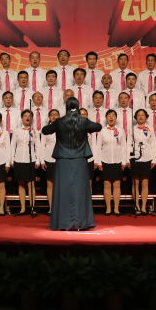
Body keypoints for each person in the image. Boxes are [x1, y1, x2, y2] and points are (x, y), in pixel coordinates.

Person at [41, 97, 102, 230]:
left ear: (66, 107)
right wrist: (84, 124)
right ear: (78, 107)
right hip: (79, 159)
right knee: (80, 190)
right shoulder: (83, 121)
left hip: (63, 160)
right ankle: (81, 222)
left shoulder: (60, 121)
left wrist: (54, 123)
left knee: (63, 190)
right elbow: (98, 127)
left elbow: (45, 130)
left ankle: (62, 223)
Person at [95, 109, 130, 215]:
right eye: (109, 115)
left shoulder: (121, 130)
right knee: (106, 184)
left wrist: (124, 161)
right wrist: (99, 162)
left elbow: (124, 146)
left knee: (117, 184)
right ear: (106, 118)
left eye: (113, 115)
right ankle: (108, 208)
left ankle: (116, 208)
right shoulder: (102, 131)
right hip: (105, 160)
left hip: (118, 160)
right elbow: (98, 147)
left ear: (116, 118)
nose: (111, 117)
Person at [130, 109, 156, 215]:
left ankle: (144, 206)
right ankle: (136, 205)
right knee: (136, 182)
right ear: (135, 117)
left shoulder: (150, 129)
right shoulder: (132, 129)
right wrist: (129, 157)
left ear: (146, 117)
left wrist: (154, 159)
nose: (141, 117)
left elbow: (153, 144)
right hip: (135, 158)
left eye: (143, 115)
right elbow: (128, 144)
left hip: (147, 157)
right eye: (138, 115)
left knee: (145, 183)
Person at [38, 109, 60, 215]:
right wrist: (42, 160)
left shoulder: (64, 128)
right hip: (48, 158)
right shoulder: (46, 129)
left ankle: (60, 207)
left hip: (61, 159)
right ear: (49, 117)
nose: (54, 116)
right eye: (52, 115)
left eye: (56, 114)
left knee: (60, 184)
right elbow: (42, 146)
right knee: (50, 184)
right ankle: (51, 207)